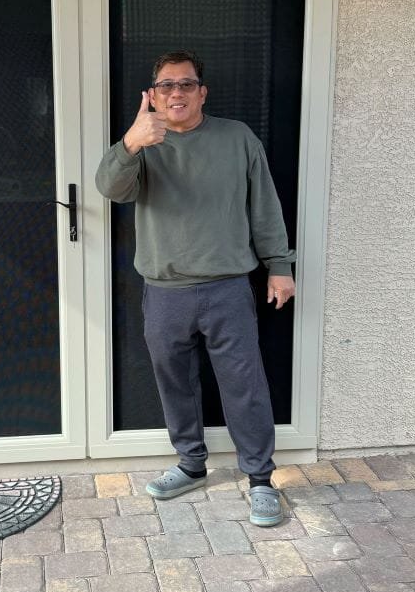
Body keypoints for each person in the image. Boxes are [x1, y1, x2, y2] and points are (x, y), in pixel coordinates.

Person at [95, 51, 295, 526]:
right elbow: (110, 189)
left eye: (186, 84)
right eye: (166, 86)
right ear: (152, 95)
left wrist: (279, 266)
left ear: (202, 92)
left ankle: (261, 480)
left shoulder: (237, 138)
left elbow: (264, 206)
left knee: (244, 386)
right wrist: (131, 143)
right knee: (175, 382)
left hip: (228, 286)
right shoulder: (143, 144)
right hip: (165, 290)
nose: (177, 93)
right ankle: (190, 464)